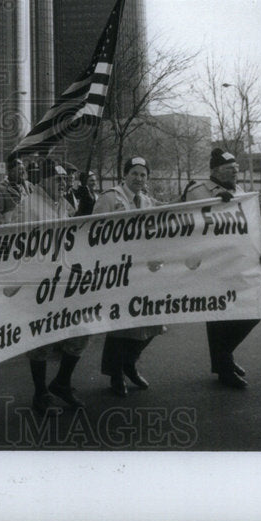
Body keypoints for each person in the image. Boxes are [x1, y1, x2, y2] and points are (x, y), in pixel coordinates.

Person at [182, 148, 261, 389]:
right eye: (229, 168)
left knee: (251, 312)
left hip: (239, 262)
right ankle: (223, 365)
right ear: (214, 171)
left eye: (236, 168)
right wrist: (215, 207)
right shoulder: (197, 191)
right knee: (218, 315)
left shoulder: (240, 192)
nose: (235, 171)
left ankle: (224, 358)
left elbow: (253, 226)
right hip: (213, 263)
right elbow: (185, 222)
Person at [10, 161, 85, 416]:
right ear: (43, 181)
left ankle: (62, 381)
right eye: (58, 179)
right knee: (39, 338)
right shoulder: (29, 206)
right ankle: (40, 393)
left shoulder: (64, 205)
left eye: (66, 179)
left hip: (66, 280)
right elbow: (16, 243)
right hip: (40, 282)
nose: (64, 184)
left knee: (82, 328)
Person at [95, 157, 165, 396]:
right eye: (134, 173)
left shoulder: (146, 200)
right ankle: (116, 374)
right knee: (122, 324)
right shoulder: (110, 198)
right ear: (125, 175)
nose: (139, 178)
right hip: (118, 270)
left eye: (143, 174)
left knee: (151, 321)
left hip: (143, 271)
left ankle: (130, 364)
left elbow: (172, 210)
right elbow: (95, 232)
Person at [0, 156, 33, 224]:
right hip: (11, 230)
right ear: (11, 172)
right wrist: (5, 231)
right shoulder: (0, 189)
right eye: (19, 169)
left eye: (23, 169)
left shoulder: (27, 187)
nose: (22, 172)